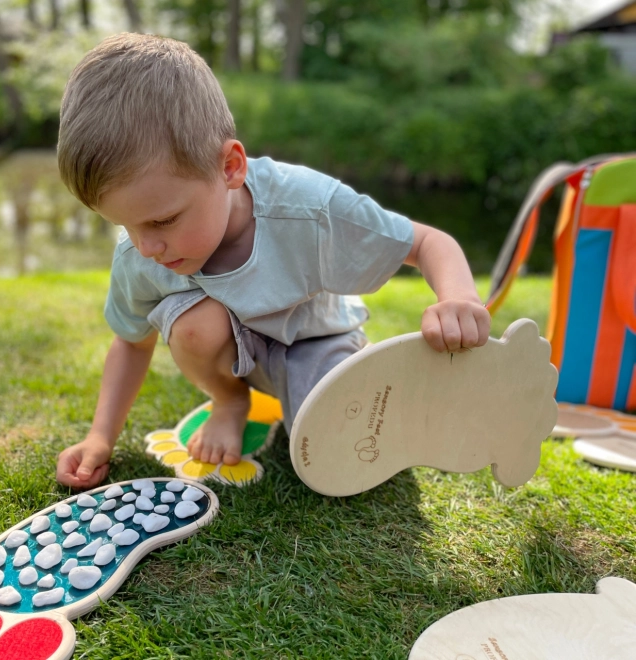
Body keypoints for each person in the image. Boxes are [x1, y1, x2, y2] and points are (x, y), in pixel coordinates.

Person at [55, 33, 491, 489]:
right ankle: (230, 402)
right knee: (192, 325)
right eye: (124, 225)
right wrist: (100, 437)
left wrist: (458, 297)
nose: (147, 248)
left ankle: (342, 384)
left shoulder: (309, 207)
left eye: (163, 220)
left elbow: (427, 243)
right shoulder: (141, 251)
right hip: (232, 355)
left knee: (346, 449)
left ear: (229, 167)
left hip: (314, 342)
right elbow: (131, 341)